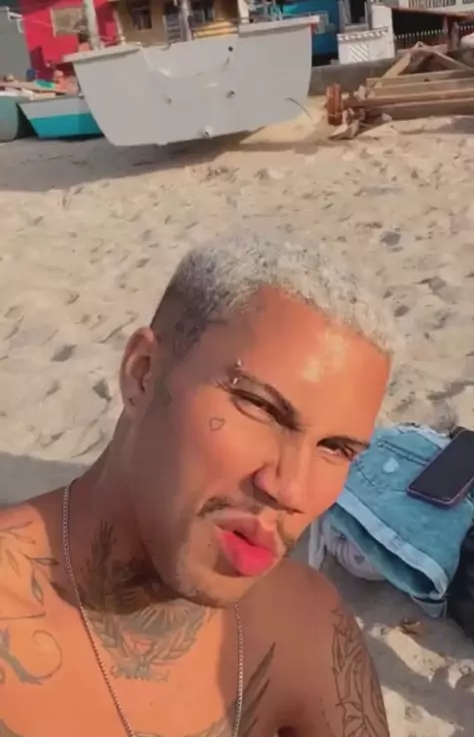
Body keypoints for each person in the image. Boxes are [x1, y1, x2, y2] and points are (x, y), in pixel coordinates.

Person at [0, 231, 393, 737]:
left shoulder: (308, 626)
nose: (291, 490)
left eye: (335, 448)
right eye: (260, 406)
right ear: (142, 374)